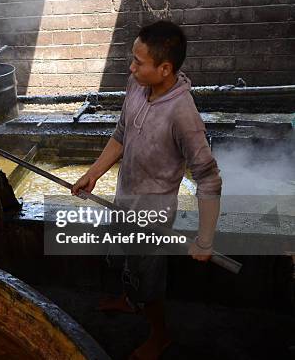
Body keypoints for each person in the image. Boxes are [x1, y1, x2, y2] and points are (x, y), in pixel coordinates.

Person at [72, 21, 222, 360]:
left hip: (152, 215)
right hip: (125, 197)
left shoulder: (183, 115)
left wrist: (206, 237)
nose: (131, 67)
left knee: (149, 281)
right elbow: (122, 133)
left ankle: (160, 336)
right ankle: (128, 300)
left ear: (165, 69)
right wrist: (93, 173)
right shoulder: (136, 85)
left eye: (139, 62)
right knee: (122, 259)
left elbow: (209, 178)